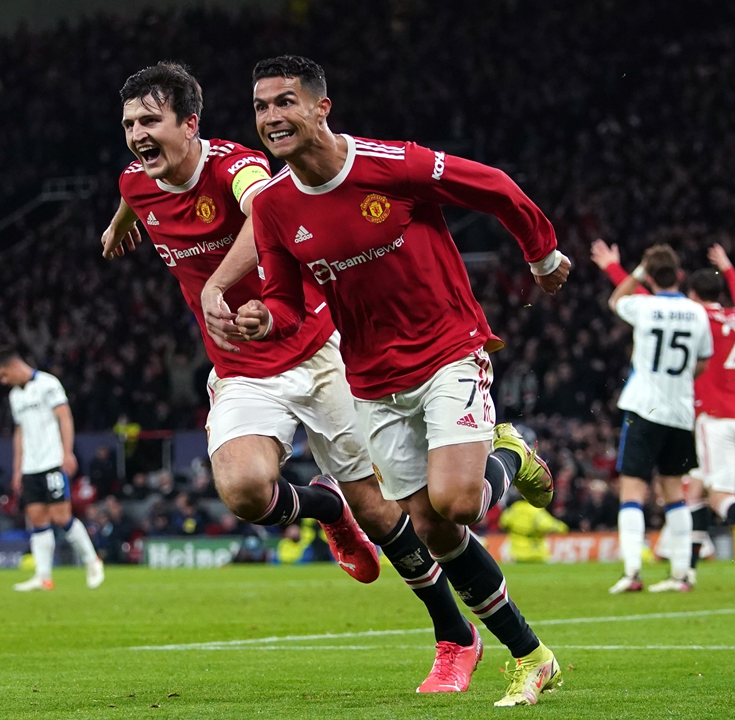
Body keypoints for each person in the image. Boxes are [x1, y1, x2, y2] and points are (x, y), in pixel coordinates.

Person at [102, 61, 521, 694]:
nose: (137, 133)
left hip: (319, 349)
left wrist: (218, 282)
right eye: (129, 123)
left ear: (191, 125)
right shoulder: (137, 180)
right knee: (243, 491)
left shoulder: (240, 171)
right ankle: (323, 505)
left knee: (387, 516)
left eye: (150, 121)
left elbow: (263, 211)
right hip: (242, 367)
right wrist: (120, 224)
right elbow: (136, 190)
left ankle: (454, 637)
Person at [228, 56, 569, 706]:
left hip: (448, 350)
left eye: (284, 102)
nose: (272, 117)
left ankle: (510, 452)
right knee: (433, 530)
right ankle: (533, 656)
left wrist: (542, 252)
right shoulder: (272, 205)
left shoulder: (393, 165)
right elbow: (286, 304)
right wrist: (259, 318)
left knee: (460, 503)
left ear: (321, 108)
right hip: (372, 380)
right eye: (261, 107)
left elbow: (495, 185)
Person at [593, 241, 735, 588]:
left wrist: (618, 268)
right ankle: (686, 568)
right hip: (734, 417)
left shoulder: (689, 311)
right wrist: (728, 266)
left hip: (701, 415)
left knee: (714, 495)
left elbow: (640, 298)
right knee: (691, 491)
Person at [599, 244, 712, 594]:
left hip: (644, 408)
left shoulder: (644, 306)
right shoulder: (698, 313)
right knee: (674, 493)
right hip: (680, 412)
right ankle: (682, 575)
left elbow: (615, 300)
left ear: (648, 276)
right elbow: (703, 363)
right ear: (679, 275)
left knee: (633, 490)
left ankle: (633, 572)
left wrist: (633, 272)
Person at [0, 346, 103, 591]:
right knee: (37, 519)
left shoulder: (48, 384)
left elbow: (65, 417)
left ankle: (92, 561)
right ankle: (43, 577)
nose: (3, 381)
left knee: (61, 516)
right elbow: (19, 432)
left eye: (3, 375)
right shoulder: (15, 396)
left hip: (52, 461)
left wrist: (67, 451)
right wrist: (17, 467)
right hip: (31, 467)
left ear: (13, 366)